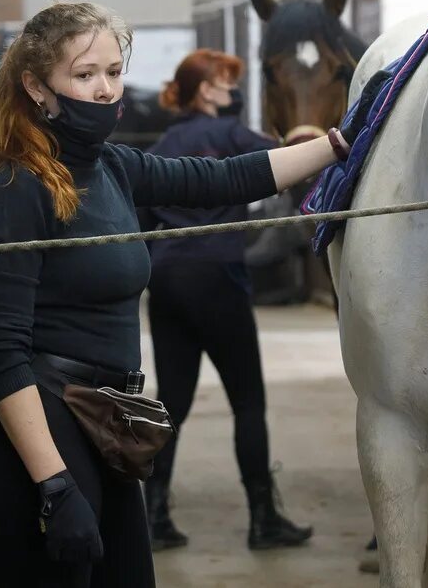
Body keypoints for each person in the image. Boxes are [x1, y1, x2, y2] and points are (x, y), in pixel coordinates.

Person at [0, 3, 360, 588]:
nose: (104, 90)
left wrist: (342, 141)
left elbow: (228, 178)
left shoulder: (113, 167)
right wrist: (53, 483)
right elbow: (1, 355)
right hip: (44, 434)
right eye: (83, 74)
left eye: (114, 72)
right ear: (36, 86)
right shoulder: (18, 190)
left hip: (109, 425)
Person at [140, 49, 312, 552]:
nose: (230, 90)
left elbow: (146, 215)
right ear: (204, 91)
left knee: (170, 402)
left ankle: (153, 517)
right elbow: (288, 157)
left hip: (167, 279)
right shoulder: (234, 137)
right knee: (248, 402)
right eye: (223, 82)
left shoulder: (163, 145)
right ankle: (263, 519)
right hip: (217, 277)